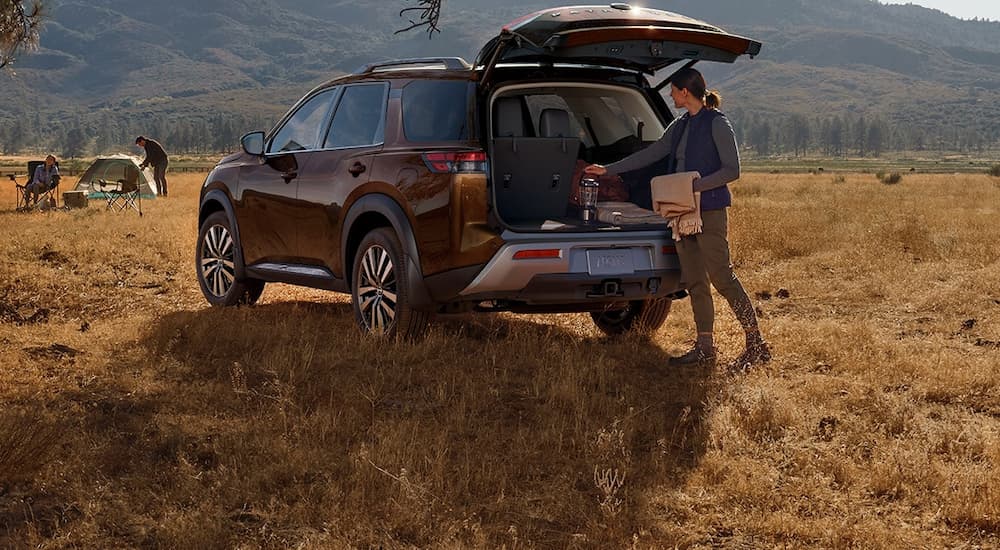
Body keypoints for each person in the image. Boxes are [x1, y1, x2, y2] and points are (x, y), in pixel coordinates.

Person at [583, 67, 770, 370]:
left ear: (685, 91)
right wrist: (607, 169)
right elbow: (652, 153)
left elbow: (732, 170)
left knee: (722, 277)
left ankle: (755, 343)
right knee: (695, 281)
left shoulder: (717, 123)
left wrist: (693, 187)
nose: (670, 95)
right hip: (681, 212)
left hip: (708, 211)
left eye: (673, 90)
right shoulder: (680, 126)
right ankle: (705, 348)